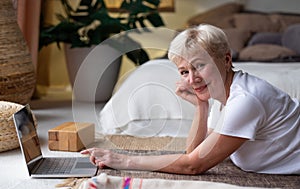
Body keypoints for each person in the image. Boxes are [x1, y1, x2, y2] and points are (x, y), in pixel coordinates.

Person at [81, 24, 300, 174]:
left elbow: (193, 165)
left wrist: (122, 160)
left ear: (226, 60)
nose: (193, 79)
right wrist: (201, 106)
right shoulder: (223, 92)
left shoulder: (245, 100)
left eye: (200, 66)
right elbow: (194, 151)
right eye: (184, 71)